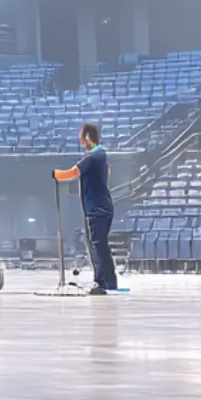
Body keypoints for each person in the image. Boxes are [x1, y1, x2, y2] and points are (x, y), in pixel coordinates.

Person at [51, 122, 118, 295]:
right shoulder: (101, 156)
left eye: (82, 137)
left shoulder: (93, 157)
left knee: (97, 247)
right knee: (101, 246)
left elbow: (73, 172)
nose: (81, 141)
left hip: (97, 210)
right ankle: (110, 282)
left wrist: (56, 174)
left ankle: (100, 282)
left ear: (88, 137)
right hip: (100, 208)